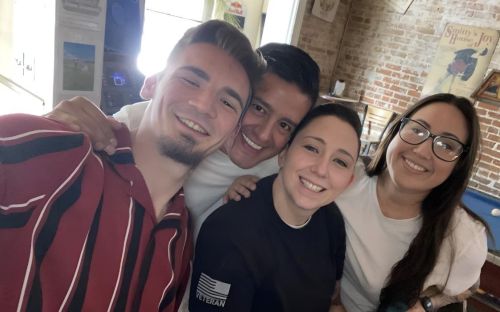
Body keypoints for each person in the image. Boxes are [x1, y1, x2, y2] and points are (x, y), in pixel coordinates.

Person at [0, 20, 264, 311]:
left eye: (227, 102)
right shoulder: (51, 153)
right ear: (151, 83)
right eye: (190, 80)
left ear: (234, 131)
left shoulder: (180, 238)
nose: (203, 105)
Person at [47, 42, 320, 238]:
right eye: (258, 108)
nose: (263, 134)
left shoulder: (282, 164)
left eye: (284, 125)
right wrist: (57, 124)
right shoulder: (151, 125)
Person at [189, 104, 362, 311]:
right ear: (283, 154)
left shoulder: (331, 219)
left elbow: (332, 301)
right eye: (312, 148)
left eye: (340, 162)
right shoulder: (228, 233)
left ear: (349, 181)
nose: (321, 170)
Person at [332, 93, 488, 311]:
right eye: (417, 129)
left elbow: (469, 286)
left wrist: (425, 303)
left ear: (459, 164)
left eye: (447, 145)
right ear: (396, 130)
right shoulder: (344, 175)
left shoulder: (462, 238)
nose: (422, 151)